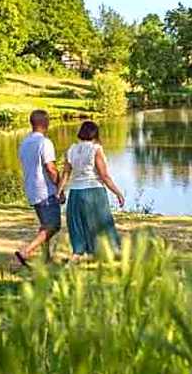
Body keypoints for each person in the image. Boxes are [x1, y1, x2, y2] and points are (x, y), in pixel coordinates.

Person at [58, 120, 124, 262]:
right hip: (94, 191)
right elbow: (104, 176)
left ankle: (77, 254)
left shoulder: (71, 149)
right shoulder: (95, 149)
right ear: (95, 133)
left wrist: (59, 191)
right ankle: (111, 251)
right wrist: (118, 193)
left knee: (78, 224)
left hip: (75, 193)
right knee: (102, 222)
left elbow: (65, 174)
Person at [16, 109, 62, 268]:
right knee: (53, 225)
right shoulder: (45, 142)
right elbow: (50, 168)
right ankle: (26, 251)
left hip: (32, 188)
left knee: (45, 224)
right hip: (45, 190)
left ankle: (46, 258)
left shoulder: (24, 143)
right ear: (44, 123)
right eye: (48, 120)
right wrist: (59, 188)